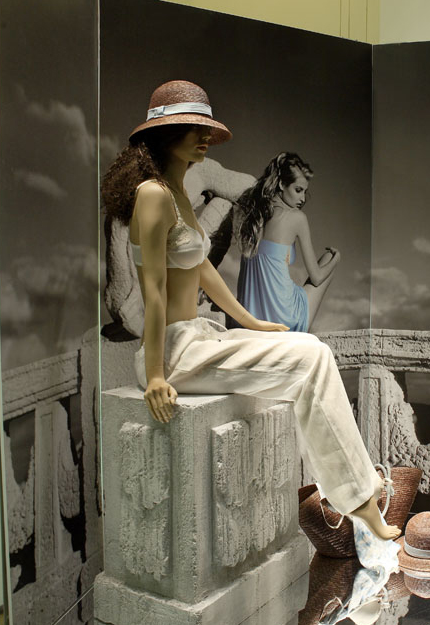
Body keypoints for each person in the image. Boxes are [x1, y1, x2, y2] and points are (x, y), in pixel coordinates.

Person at [101, 79, 400, 542]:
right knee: (312, 357)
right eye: (194, 128)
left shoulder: (175, 192)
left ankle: (355, 494)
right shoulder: (153, 195)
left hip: (198, 335)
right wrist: (156, 375)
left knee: (307, 346)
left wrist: (251, 322)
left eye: (207, 129)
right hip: (175, 354)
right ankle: (361, 499)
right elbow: (154, 292)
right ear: (165, 134)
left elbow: (201, 267)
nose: (205, 137)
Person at [233, 152, 340, 331]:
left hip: (249, 319)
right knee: (329, 257)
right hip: (284, 320)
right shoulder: (297, 218)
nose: (303, 199)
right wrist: (337, 258)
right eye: (298, 190)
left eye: (305, 192)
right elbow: (317, 277)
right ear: (282, 184)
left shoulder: (250, 216)